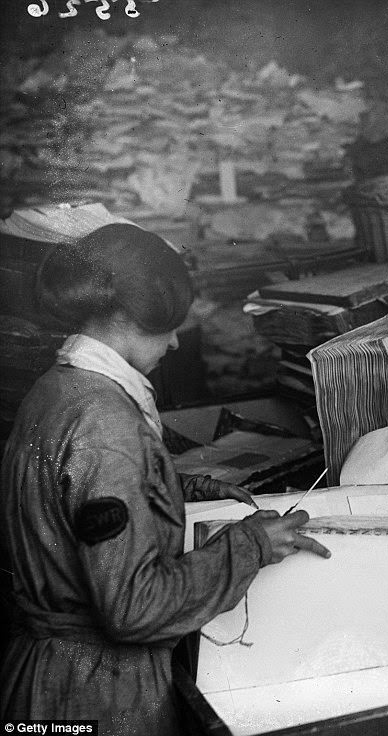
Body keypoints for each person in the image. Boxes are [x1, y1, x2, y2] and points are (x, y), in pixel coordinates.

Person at [0, 224, 331, 736]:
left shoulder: (57, 388)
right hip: (100, 695)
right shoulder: (106, 423)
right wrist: (251, 544)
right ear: (137, 315)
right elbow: (134, 609)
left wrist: (180, 486)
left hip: (44, 679)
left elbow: (67, 495)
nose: (177, 341)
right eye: (172, 325)